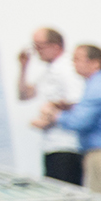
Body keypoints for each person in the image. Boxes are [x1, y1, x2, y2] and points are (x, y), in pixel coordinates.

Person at [38, 44, 101, 199]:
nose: (73, 63)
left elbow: (79, 122)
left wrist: (53, 115)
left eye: (78, 59)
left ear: (95, 63)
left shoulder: (97, 88)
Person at [16, 27, 84, 185]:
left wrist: (48, 115)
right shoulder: (49, 70)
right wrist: (23, 67)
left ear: (55, 46)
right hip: (52, 145)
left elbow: (77, 101)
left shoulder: (67, 69)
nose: (36, 51)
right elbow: (24, 95)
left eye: (39, 46)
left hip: (67, 146)